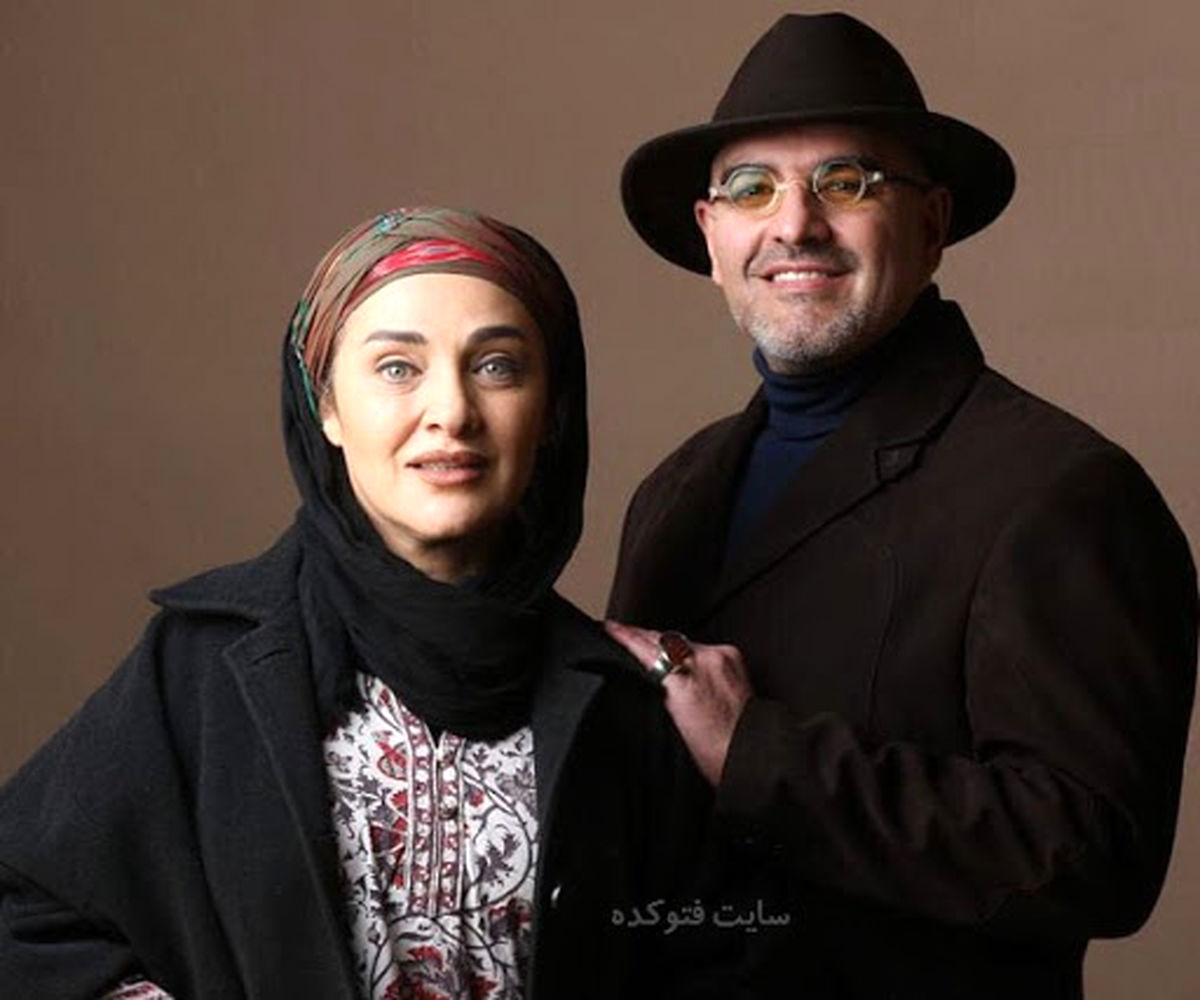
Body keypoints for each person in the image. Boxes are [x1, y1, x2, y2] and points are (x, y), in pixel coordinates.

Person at [605, 13, 1198, 999]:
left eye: (846, 182)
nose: (795, 224)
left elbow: (1093, 855)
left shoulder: (1061, 488)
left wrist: (755, 754)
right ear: (711, 235)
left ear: (931, 225)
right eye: (752, 188)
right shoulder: (674, 488)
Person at [0, 207, 705, 999]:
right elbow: (18, 912)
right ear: (326, 407)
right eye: (398, 368)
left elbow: (720, 960)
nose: (452, 412)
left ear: (550, 413)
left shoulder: (621, 703)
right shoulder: (201, 668)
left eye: (497, 366)